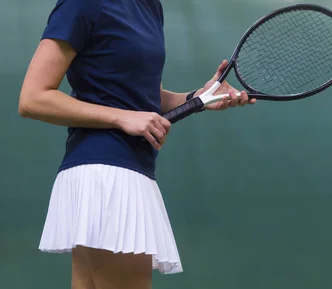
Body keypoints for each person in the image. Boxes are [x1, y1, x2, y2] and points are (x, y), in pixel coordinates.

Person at [18, 0, 255, 288]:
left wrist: (201, 97)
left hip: (124, 172)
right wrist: (121, 118)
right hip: (105, 176)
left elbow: (141, 99)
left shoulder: (150, 7)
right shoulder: (84, 3)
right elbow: (33, 98)